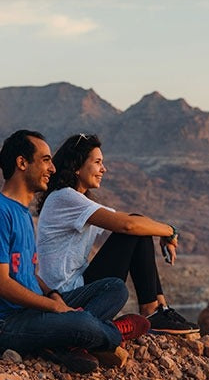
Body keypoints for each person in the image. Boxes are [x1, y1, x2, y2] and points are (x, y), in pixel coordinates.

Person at [0, 129, 149, 374]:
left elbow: (27, 273)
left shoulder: (23, 213)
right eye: (45, 160)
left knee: (115, 288)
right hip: (4, 325)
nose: (53, 169)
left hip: (34, 310)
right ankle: (111, 333)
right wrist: (53, 308)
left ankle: (64, 342)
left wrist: (53, 294)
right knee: (82, 321)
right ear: (22, 163)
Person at [36, 133, 199, 335]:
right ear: (77, 167)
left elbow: (134, 221)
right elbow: (128, 226)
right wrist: (170, 231)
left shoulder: (76, 200)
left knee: (139, 227)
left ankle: (159, 309)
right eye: (97, 162)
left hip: (73, 287)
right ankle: (151, 311)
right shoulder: (65, 197)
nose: (103, 169)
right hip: (62, 296)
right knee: (134, 229)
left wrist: (159, 230)